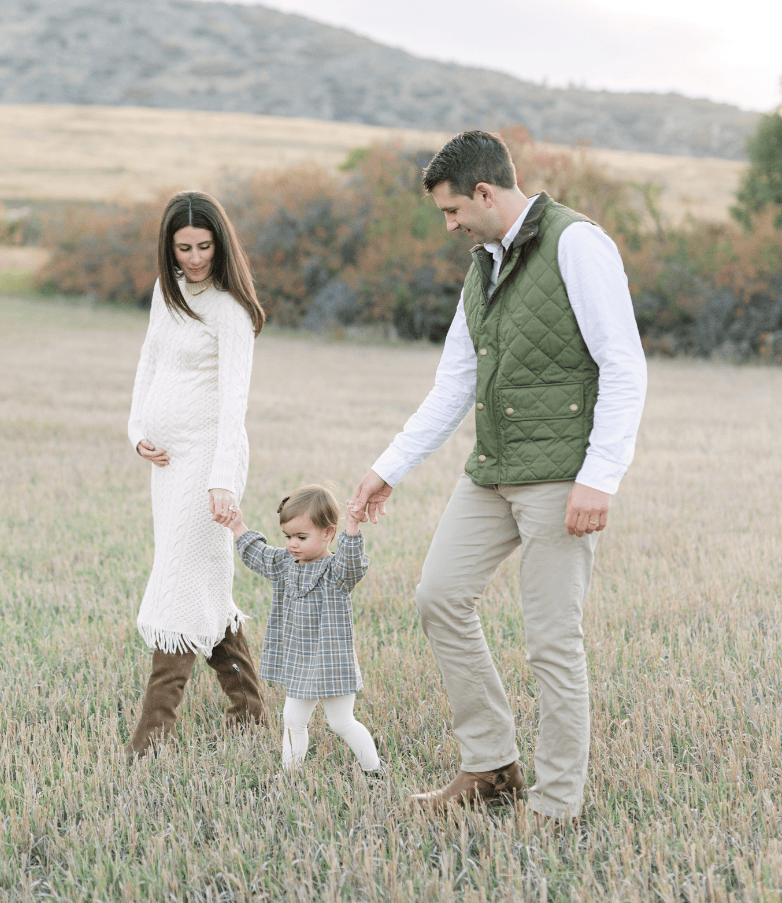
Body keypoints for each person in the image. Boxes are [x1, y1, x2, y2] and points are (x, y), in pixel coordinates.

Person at [348, 130, 647, 822]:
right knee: (439, 595)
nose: (449, 225)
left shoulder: (577, 244)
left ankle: (556, 803)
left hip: (561, 475)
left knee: (551, 641)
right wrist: (387, 469)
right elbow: (454, 382)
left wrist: (600, 477)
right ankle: (492, 765)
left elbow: (624, 365)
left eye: (453, 211)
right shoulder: (482, 264)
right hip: (491, 471)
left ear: (486, 192)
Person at [124, 190, 266, 759]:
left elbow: (235, 403)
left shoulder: (231, 310)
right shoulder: (168, 292)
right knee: (203, 580)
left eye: (204, 246)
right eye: (183, 248)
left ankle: (151, 736)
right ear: (169, 248)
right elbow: (150, 359)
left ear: (221, 244)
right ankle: (249, 710)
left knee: (181, 580)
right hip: (168, 459)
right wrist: (136, 429)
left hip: (210, 461)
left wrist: (222, 479)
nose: (195, 258)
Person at [213, 484, 382, 774]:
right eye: (288, 536)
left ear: (329, 533)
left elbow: (353, 564)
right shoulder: (285, 563)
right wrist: (238, 525)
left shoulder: (336, 572)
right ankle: (289, 775)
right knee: (292, 721)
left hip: (331, 661)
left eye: (301, 537)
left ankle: (375, 771)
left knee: (341, 722)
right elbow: (259, 554)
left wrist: (352, 525)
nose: (292, 543)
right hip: (299, 662)